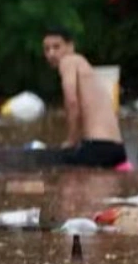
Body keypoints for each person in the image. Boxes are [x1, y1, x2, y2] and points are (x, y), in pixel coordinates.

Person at [42, 26, 126, 167]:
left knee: (64, 182)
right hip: (117, 148)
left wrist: (71, 140)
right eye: (47, 49)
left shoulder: (68, 61)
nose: (51, 53)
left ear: (70, 47)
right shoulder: (85, 67)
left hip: (98, 146)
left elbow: (72, 101)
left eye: (56, 47)